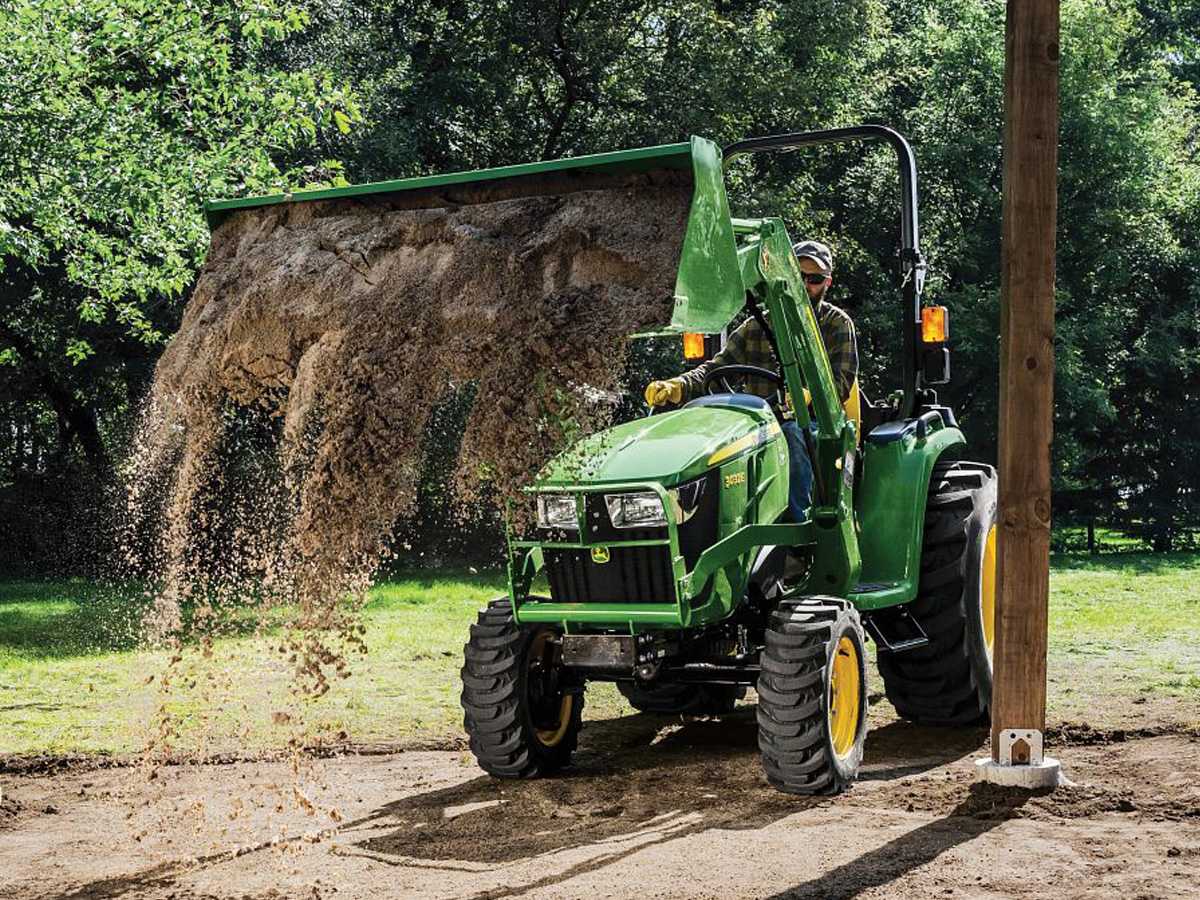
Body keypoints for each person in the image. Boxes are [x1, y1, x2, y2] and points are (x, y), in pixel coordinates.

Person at [644, 239, 858, 521]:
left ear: (827, 283)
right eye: (800, 276)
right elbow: (716, 369)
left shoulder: (837, 324)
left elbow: (841, 382)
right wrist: (678, 386)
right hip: (761, 423)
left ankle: (799, 527)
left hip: (820, 425)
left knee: (793, 434)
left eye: (814, 279)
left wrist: (809, 394)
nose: (806, 284)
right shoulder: (755, 327)